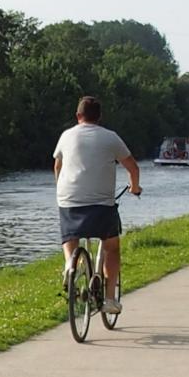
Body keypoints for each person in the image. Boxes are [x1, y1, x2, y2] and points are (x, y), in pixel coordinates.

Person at [53, 96, 142, 314]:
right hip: (101, 204)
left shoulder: (66, 135)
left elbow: (57, 165)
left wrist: (61, 190)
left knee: (69, 236)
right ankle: (110, 299)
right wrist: (134, 187)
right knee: (112, 247)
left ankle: (70, 266)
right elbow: (133, 167)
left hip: (69, 200)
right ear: (100, 117)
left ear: (78, 116)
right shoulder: (110, 138)